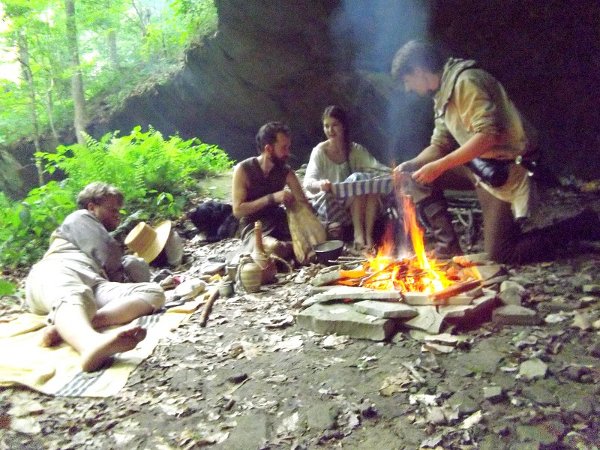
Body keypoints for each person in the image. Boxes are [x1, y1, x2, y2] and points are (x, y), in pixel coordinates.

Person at [391, 40, 600, 263]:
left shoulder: (466, 82)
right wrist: (412, 164)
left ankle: (580, 225)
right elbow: (440, 144)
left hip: (505, 169)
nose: (408, 88)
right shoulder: (442, 93)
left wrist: (440, 165)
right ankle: (448, 248)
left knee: (502, 253)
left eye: (407, 80)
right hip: (478, 165)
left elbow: (489, 136)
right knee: (416, 177)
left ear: (419, 70)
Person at [25, 182, 166, 372]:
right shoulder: (79, 217)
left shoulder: (94, 237)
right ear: (92, 207)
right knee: (75, 293)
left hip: (94, 280)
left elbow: (114, 264)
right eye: (112, 209)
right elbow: (107, 251)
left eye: (118, 210)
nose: (117, 214)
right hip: (57, 271)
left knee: (153, 292)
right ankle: (89, 344)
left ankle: (70, 326)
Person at [303, 105, 390, 250]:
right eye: (326, 126)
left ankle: (368, 237)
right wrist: (320, 184)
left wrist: (395, 173)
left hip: (357, 203)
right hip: (333, 205)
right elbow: (308, 183)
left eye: (335, 125)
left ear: (343, 126)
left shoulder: (354, 149)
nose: (330, 130)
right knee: (358, 180)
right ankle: (358, 234)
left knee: (370, 184)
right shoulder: (319, 152)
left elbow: (377, 167)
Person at [231, 121, 309, 243]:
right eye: (284, 148)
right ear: (268, 149)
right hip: (253, 226)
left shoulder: (286, 172)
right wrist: (271, 198)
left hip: (278, 220)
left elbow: (303, 202)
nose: (288, 153)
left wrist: (295, 205)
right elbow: (238, 211)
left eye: (288, 147)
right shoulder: (243, 170)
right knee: (273, 248)